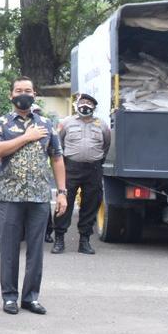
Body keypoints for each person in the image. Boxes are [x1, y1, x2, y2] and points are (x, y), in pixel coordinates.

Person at [0, 76, 68, 315]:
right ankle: (10, 297)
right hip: (10, 196)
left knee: (36, 250)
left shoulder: (46, 124)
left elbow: (57, 158)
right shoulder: (1, 123)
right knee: (10, 249)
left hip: (39, 196)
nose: (23, 94)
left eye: (28, 90)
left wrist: (62, 193)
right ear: (11, 95)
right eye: (18, 90)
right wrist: (25, 137)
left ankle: (30, 297)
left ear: (34, 94)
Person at [53, 93, 111, 255]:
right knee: (64, 202)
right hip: (71, 167)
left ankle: (84, 241)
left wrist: (96, 159)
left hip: (93, 169)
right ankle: (59, 239)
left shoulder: (102, 125)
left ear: (94, 107)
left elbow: (106, 144)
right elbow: (59, 143)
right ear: (77, 104)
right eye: (82, 102)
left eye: (89, 103)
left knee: (91, 204)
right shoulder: (66, 123)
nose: (85, 105)